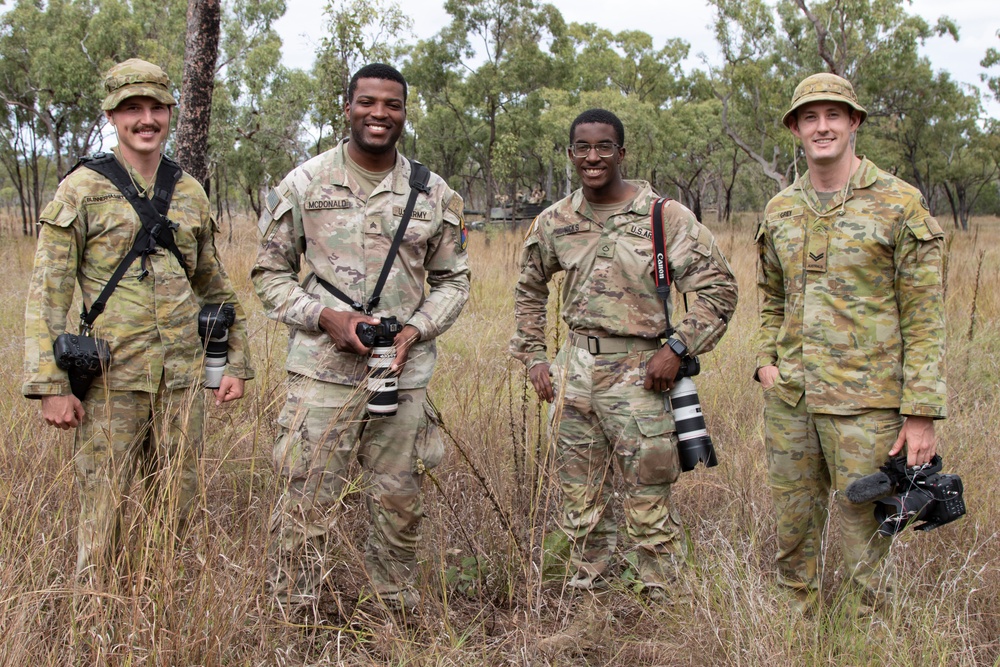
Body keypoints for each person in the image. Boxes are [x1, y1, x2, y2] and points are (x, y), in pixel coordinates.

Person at [22, 58, 254, 584]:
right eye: (132, 109)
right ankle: (95, 625)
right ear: (112, 115)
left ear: (170, 113)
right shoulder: (81, 189)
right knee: (102, 515)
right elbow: (47, 293)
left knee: (176, 507)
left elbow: (213, 285)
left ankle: (160, 610)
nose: (145, 119)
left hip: (181, 381)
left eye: (156, 108)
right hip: (110, 382)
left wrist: (236, 360)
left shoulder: (190, 191)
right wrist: (50, 385)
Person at [252, 63, 470, 616]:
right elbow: (268, 275)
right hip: (321, 375)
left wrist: (416, 330)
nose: (379, 114)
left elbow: (453, 280)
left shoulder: (434, 193)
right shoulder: (305, 183)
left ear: (403, 113)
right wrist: (323, 316)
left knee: (398, 502)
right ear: (347, 107)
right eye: (368, 102)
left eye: (392, 105)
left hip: (402, 374)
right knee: (306, 499)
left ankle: (392, 614)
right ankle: (293, 616)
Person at [511, 108, 738, 602]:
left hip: (641, 373)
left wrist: (678, 349)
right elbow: (528, 289)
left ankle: (661, 599)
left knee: (647, 491)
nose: (593, 157)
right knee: (578, 493)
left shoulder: (663, 216)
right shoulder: (556, 220)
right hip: (574, 371)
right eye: (582, 148)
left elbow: (719, 292)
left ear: (621, 152)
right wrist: (534, 357)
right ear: (571, 154)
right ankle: (588, 591)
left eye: (604, 147)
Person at [754, 73, 946, 613]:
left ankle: (870, 636)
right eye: (809, 117)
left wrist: (922, 413)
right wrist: (766, 361)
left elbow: (926, 316)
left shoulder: (898, 204)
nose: (822, 127)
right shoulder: (780, 209)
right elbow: (772, 294)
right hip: (791, 401)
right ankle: (796, 627)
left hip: (867, 408)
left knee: (866, 537)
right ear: (795, 128)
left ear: (853, 122)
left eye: (833, 115)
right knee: (792, 528)